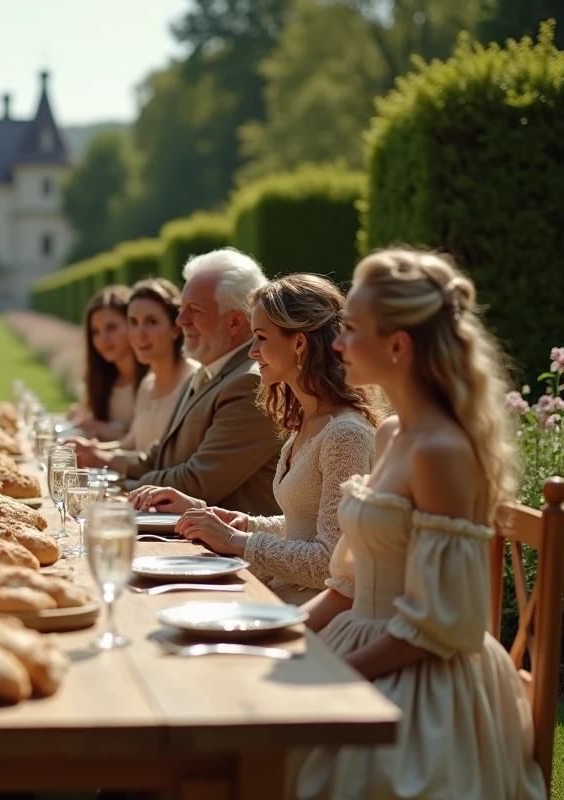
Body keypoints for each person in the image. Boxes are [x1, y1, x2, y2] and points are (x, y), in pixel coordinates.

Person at [289, 249, 545, 799]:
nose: (336, 343)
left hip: (423, 677)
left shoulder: (442, 452)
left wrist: (338, 675)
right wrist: (284, 635)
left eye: (350, 330)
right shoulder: (392, 435)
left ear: (398, 345)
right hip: (366, 639)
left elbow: (440, 625)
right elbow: (350, 583)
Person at [131, 275, 383, 604]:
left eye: (261, 338)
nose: (252, 351)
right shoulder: (306, 422)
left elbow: (330, 561)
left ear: (299, 343)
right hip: (281, 592)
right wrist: (224, 518)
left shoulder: (345, 434)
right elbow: (300, 526)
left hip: (310, 609)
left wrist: (237, 541)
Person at [119, 249, 282, 514]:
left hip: (229, 552)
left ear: (234, 322)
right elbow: (159, 457)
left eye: (194, 310)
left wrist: (121, 485)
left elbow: (196, 483)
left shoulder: (250, 383)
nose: (180, 320)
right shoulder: (206, 371)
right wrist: (103, 464)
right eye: (182, 308)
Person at [71, 278, 196, 462]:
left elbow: (170, 462)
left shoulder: (194, 382)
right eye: (133, 322)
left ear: (176, 328)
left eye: (151, 322)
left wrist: (100, 456)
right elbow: (129, 445)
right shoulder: (148, 385)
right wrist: (88, 449)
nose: (139, 333)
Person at [67, 285, 145, 441]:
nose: (103, 339)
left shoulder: (153, 379)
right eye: (95, 332)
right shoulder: (102, 379)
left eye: (111, 328)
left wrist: (114, 432)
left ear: (133, 325)